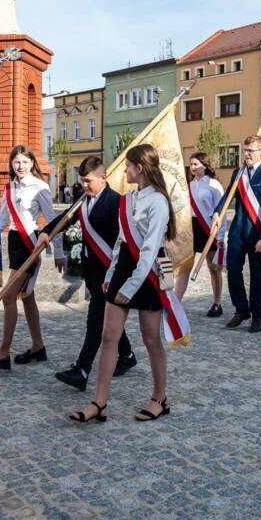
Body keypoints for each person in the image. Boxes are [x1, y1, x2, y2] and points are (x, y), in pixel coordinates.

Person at [70, 144, 183, 425]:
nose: (125, 170)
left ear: (140, 168)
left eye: (129, 166)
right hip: (123, 271)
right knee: (109, 336)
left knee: (150, 338)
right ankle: (100, 402)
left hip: (147, 274)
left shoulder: (157, 202)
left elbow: (149, 249)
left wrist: (130, 287)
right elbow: (121, 242)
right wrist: (110, 276)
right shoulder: (130, 199)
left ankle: (159, 398)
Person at [36, 156, 137, 390]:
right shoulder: (83, 199)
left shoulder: (115, 202)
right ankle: (128, 355)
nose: (84, 185)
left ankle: (82, 370)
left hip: (111, 274)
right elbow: (65, 219)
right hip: (92, 273)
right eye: (81, 181)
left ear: (103, 178)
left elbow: (124, 242)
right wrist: (47, 232)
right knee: (106, 320)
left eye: (88, 181)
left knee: (96, 321)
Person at [0, 145, 64, 370]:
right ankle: (38, 347)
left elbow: (53, 220)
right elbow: (2, 219)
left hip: (31, 244)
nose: (20, 166)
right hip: (15, 243)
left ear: (32, 163)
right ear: (11, 164)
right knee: (27, 296)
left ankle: (3, 354)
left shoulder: (40, 187)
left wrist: (59, 252)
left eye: (25, 162)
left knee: (8, 298)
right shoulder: (9, 188)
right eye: (16, 162)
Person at [216, 135, 261, 333]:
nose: (246, 155)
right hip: (237, 232)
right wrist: (217, 212)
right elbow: (227, 197)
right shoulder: (238, 173)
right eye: (245, 151)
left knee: (258, 276)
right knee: (233, 271)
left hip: (258, 234)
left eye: (250, 151)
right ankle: (241, 310)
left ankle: (257, 315)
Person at [179, 152, 225, 317]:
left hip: (208, 229)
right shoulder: (188, 186)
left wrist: (220, 236)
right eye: (191, 164)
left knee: (213, 268)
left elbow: (222, 210)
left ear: (205, 166)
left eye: (196, 164)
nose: (192, 167)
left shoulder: (214, 185)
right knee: (185, 267)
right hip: (191, 229)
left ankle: (217, 303)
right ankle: (176, 304)